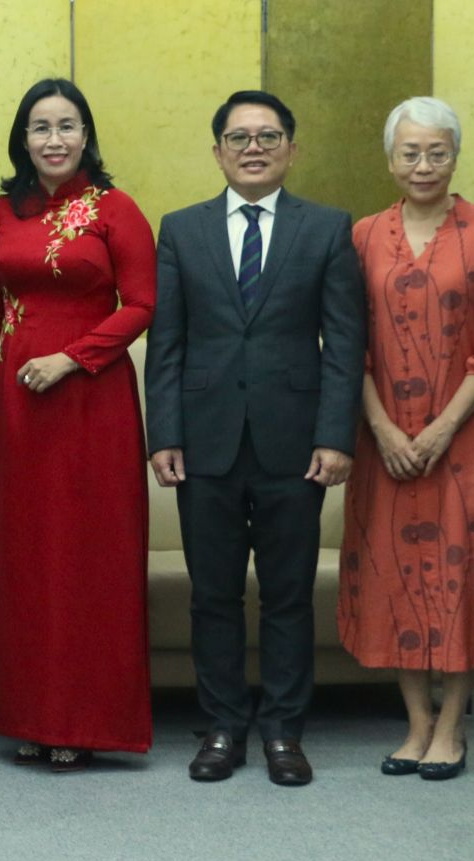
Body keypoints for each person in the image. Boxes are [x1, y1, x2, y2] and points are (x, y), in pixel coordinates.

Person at [146, 89, 364, 788]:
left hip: (295, 443)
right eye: (238, 138)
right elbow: (167, 342)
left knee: (288, 594)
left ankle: (283, 732)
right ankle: (220, 727)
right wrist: (164, 434)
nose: (253, 148)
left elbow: (343, 344)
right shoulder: (182, 229)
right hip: (205, 442)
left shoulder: (328, 229)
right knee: (212, 596)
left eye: (267, 136)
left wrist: (336, 436)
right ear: (217, 152)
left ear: (291, 150)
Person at [0, 78, 155, 772]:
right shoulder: (0, 213)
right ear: (23, 139)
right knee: (26, 559)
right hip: (18, 409)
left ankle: (88, 720)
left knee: (90, 558)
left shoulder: (115, 209)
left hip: (92, 404)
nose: (53, 139)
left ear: (86, 134)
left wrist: (72, 361)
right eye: (40, 128)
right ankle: (31, 716)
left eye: (66, 126)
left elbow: (140, 305)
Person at [335, 97, 474, 783]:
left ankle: (453, 725)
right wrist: (381, 427)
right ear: (389, 159)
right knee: (395, 578)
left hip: (467, 438)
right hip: (383, 440)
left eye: (436, 152)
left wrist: (441, 428)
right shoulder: (361, 236)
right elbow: (346, 342)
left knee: (460, 574)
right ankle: (415, 725)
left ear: (454, 156)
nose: (422, 164)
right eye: (409, 152)